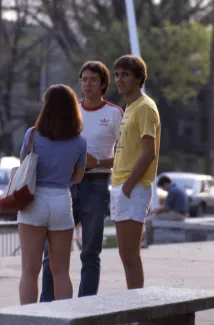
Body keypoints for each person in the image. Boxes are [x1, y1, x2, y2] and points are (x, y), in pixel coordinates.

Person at [40, 61, 123, 301]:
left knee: (90, 252)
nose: (87, 84)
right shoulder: (71, 109)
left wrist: (96, 162)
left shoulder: (114, 113)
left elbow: (123, 156)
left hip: (96, 186)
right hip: (65, 186)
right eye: (84, 79)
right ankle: (46, 305)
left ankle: (86, 307)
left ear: (103, 83)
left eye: (93, 79)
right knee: (52, 253)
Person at [18, 84, 87, 305]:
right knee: (61, 271)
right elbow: (77, 177)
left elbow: (23, 169)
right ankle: (65, 320)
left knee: (30, 270)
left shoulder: (32, 135)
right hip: (61, 202)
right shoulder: (79, 141)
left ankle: (26, 321)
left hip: (34, 201)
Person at [110, 54, 161, 289]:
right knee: (125, 256)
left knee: (131, 256)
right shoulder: (129, 107)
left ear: (139, 78)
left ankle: (137, 312)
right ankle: (133, 308)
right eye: (117, 75)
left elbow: (149, 152)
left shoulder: (144, 107)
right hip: (120, 185)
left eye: (126, 75)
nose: (120, 80)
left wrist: (129, 185)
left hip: (133, 187)